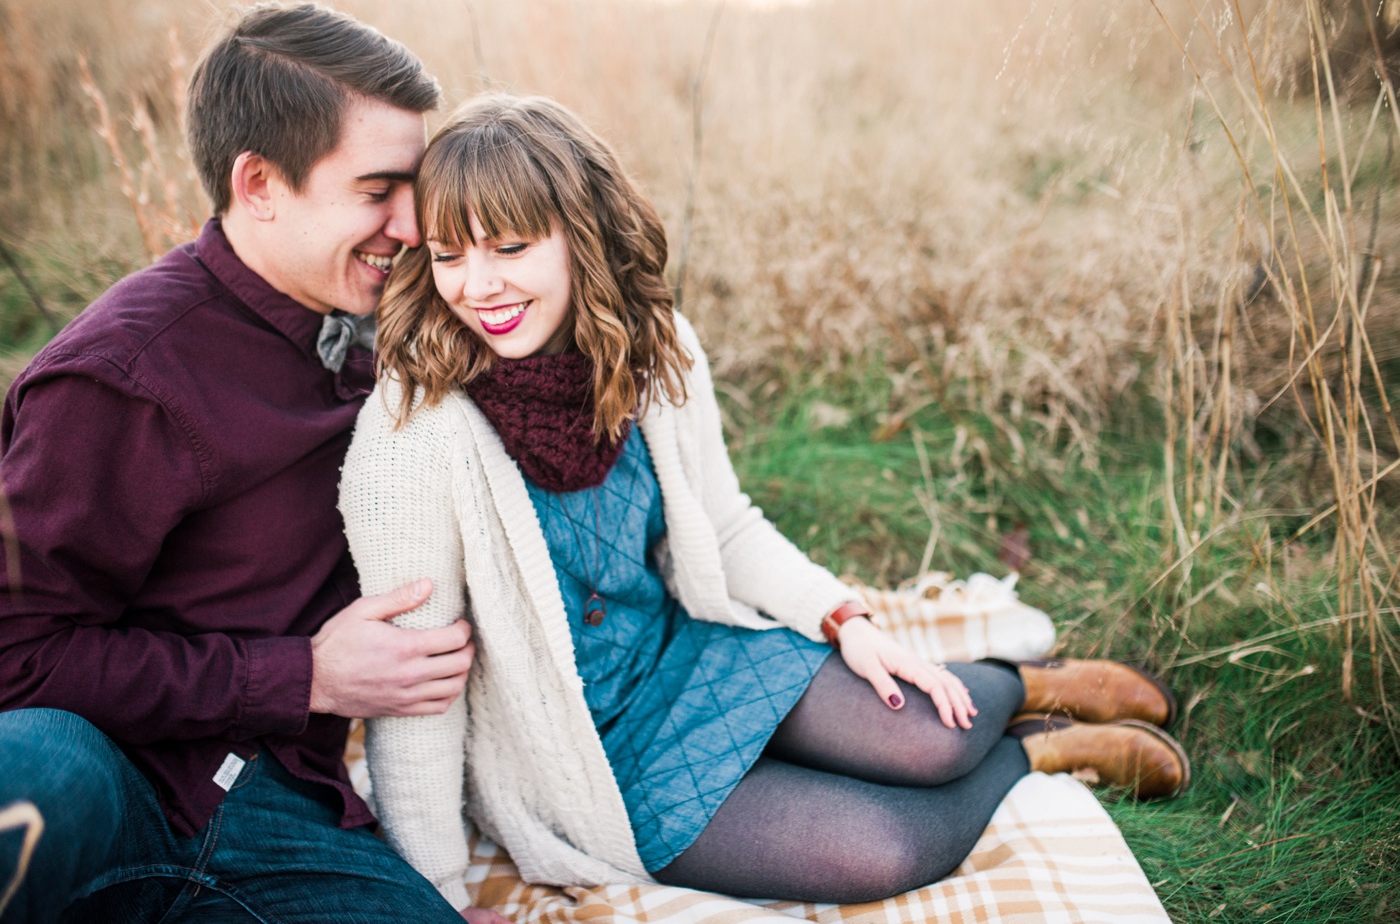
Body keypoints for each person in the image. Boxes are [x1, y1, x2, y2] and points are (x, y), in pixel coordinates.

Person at [339, 93, 1191, 909]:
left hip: (690, 654)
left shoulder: (651, 348)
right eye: (449, 255)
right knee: (886, 849)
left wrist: (844, 621)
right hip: (589, 765)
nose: (476, 285)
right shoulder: (413, 433)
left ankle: (1025, 685)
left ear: (578, 235)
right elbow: (416, 689)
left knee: (931, 740)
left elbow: (727, 527)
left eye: (509, 248)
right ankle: (1040, 753)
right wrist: (436, 897)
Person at [0, 3, 506, 924]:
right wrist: (302, 676)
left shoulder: (379, 318)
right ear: (260, 183)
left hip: (278, 809)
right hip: (113, 777)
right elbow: (15, 657)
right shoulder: (123, 379)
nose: (414, 221)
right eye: (378, 189)